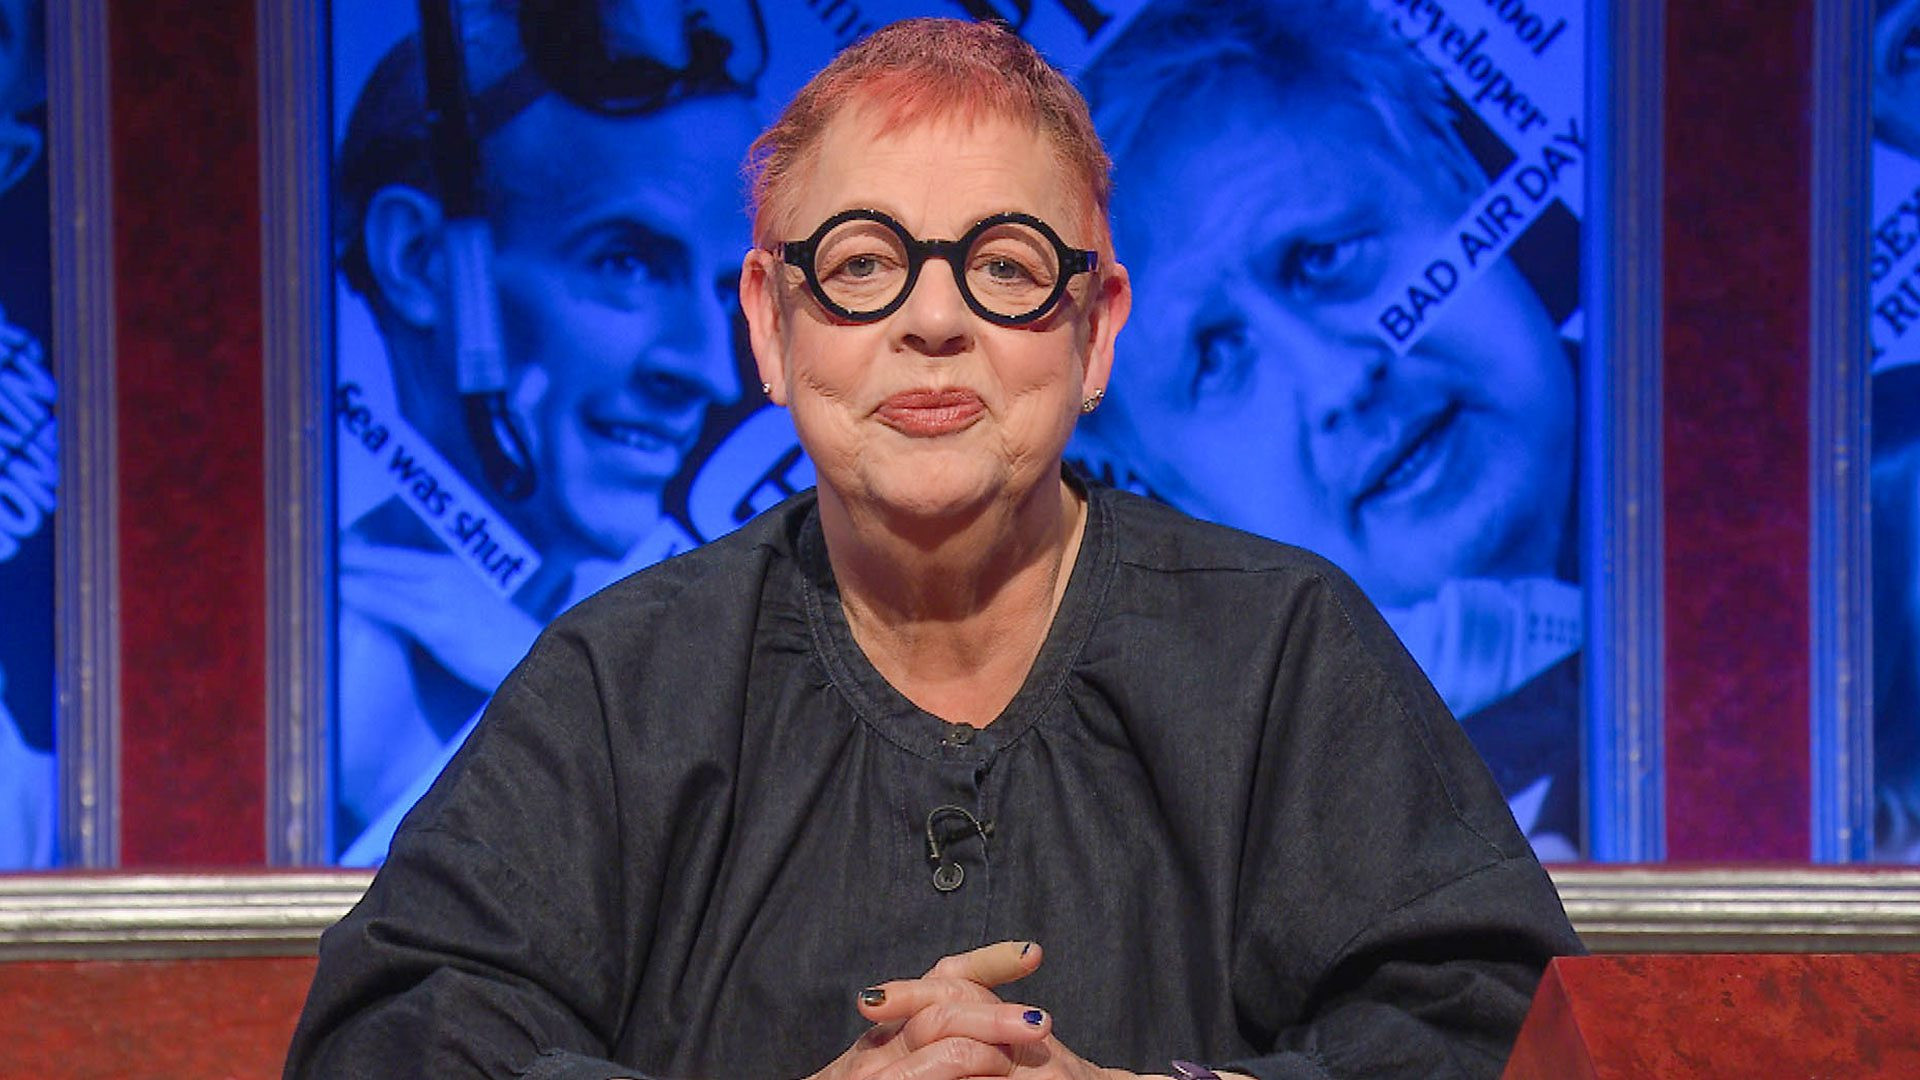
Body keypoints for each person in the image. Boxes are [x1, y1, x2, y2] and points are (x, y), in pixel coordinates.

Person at [287, 17, 1581, 1078]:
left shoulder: (1286, 649)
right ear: (771, 326)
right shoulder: (620, 686)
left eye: (1006, 268)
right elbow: (391, 1045)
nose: (933, 323)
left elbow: (1501, 1028)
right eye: (863, 266)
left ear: (1096, 329)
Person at [1071, 0, 1581, 856]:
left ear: (1459, 185)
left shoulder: (1883, 495)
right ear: (1161, 481)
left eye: (1327, 255)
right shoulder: (1222, 859)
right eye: (1218, 355)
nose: (1341, 377)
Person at [330, 1, 759, 857]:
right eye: (627, 263)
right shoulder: (326, 683)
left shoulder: (702, 649)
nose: (710, 372)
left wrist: (537, 672)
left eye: (722, 287)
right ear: (420, 263)